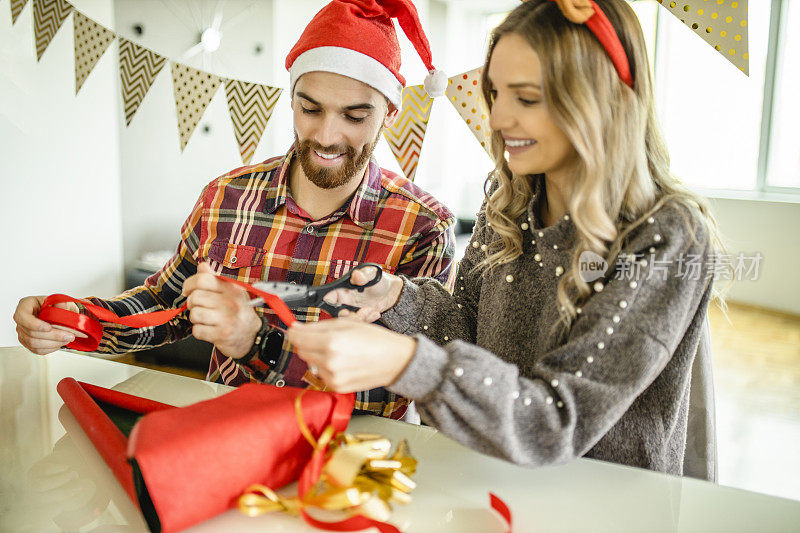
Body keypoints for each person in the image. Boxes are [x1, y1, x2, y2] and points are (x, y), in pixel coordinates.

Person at [286, 0, 724, 479]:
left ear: (599, 101)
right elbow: (468, 329)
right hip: (488, 477)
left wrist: (407, 362)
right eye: (495, 93)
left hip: (603, 503)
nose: (497, 119)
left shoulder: (667, 235)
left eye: (527, 98)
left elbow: (555, 418)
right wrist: (396, 296)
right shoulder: (506, 200)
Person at [12, 0, 455, 419]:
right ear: (292, 98)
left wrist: (254, 342)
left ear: (390, 114)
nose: (326, 135)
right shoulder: (226, 197)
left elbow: (399, 383)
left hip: (350, 464)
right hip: (222, 444)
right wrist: (79, 322)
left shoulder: (423, 226)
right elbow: (166, 305)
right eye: (310, 108)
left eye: (355, 117)